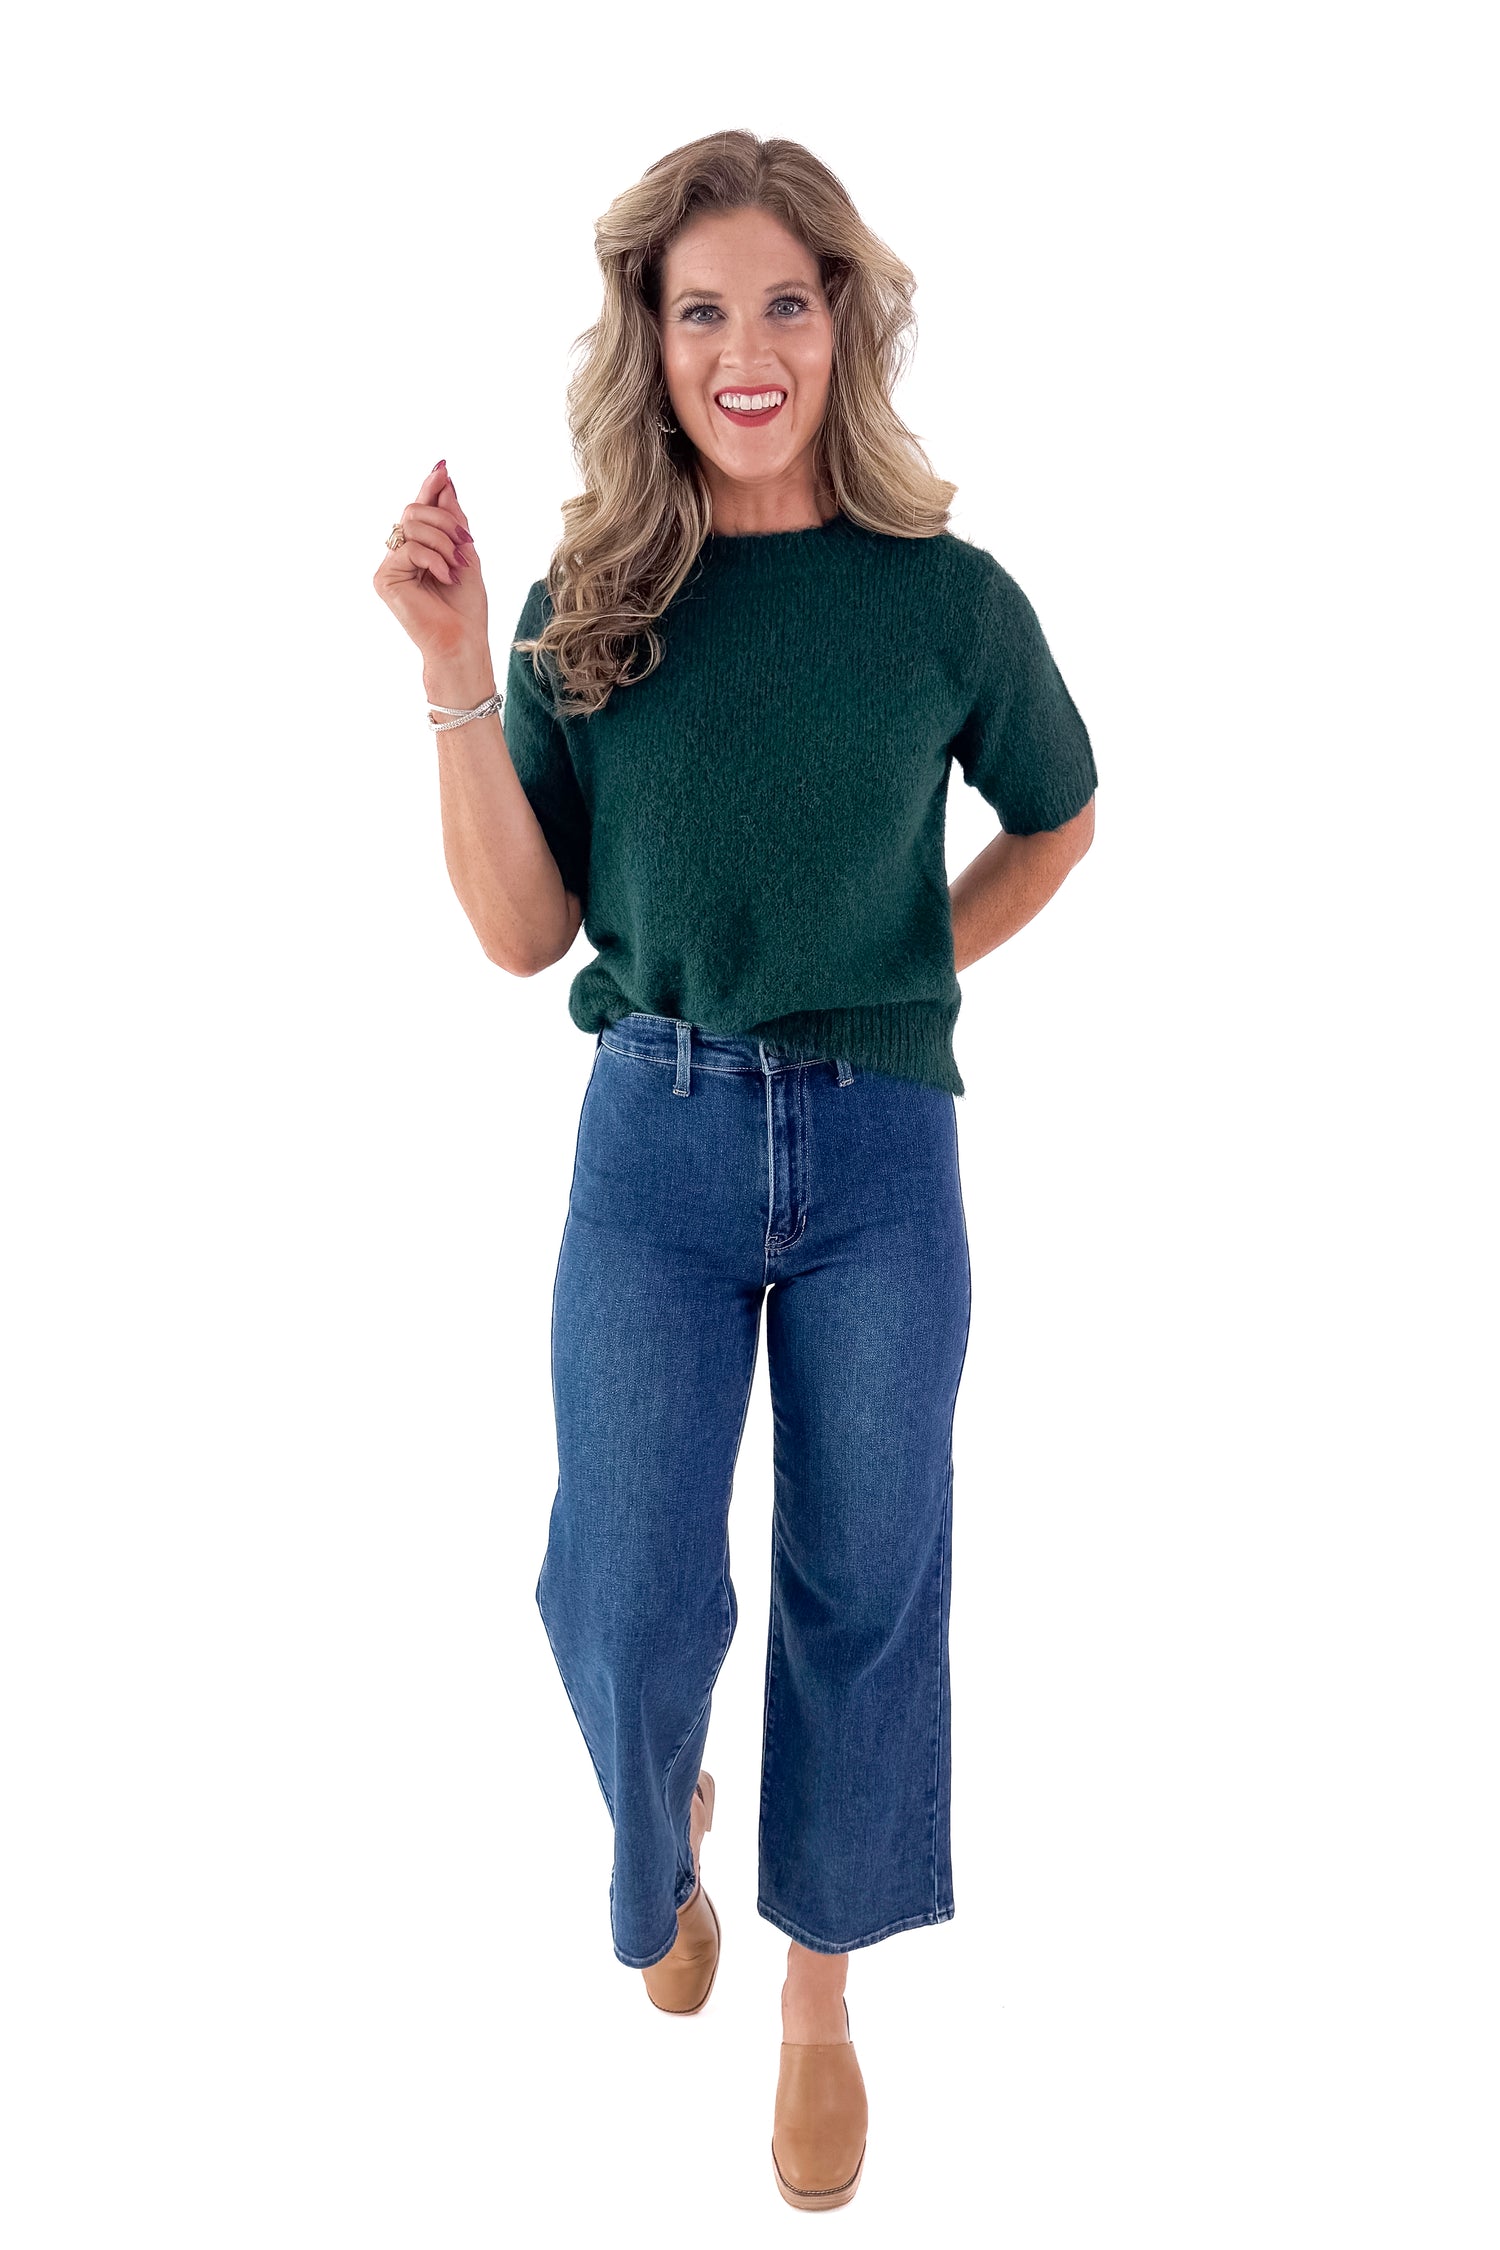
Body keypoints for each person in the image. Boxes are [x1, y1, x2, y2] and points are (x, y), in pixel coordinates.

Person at [373, 128, 1097, 2213]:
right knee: (621, 1579)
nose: (747, 346)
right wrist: (446, 683)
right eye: (704, 310)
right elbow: (526, 934)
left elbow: (1057, 817)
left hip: (883, 1159)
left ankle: (817, 2004)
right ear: (653, 340)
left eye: (787, 300)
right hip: (655, 1148)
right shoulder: (593, 603)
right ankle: (652, 1838)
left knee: (867, 1586)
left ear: (843, 321)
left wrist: (901, 964)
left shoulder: (945, 601)